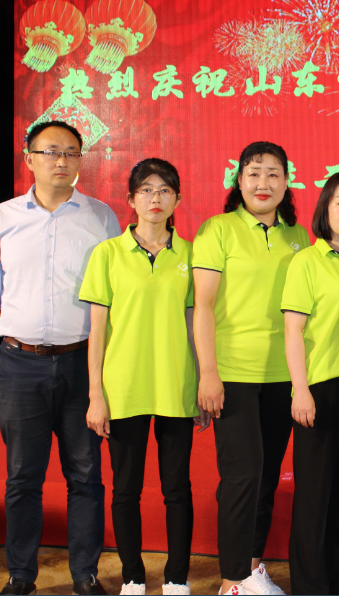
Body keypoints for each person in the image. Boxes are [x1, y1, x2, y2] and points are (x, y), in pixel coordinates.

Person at [0, 120, 120, 596]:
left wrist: (107, 374)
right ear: (29, 157)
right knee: (22, 477)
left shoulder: (101, 218)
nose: (61, 161)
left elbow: (117, 299)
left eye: (71, 152)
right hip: (18, 363)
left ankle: (85, 574)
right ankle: (21, 575)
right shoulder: (4, 217)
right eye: (51, 151)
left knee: (86, 476)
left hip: (82, 363)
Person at [80, 159, 210, 596]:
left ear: (177, 199)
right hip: (124, 388)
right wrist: (96, 395)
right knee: (125, 490)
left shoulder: (192, 255)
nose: (156, 198)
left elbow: (195, 324)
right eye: (147, 190)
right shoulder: (108, 254)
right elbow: (97, 331)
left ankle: (176, 577)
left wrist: (202, 383)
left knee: (178, 489)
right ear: (131, 199)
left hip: (176, 385)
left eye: (165, 190)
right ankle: (133, 576)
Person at [192, 141, 311, 596]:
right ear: (239, 180)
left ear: (287, 181)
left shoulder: (298, 236)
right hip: (234, 373)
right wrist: (208, 372)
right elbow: (203, 306)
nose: (264, 183)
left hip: (283, 375)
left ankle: (252, 569)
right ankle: (231, 580)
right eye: (254, 173)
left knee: (265, 477)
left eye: (273, 173)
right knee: (242, 476)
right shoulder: (217, 230)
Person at [281, 171, 339, 595]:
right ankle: (309, 587)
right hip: (319, 391)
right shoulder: (308, 261)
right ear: (325, 209)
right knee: (313, 500)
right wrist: (300, 390)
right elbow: (293, 331)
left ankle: (338, 583)